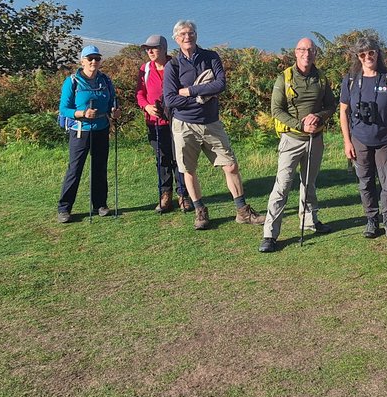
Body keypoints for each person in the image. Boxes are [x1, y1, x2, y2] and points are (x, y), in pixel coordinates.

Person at [162, 20, 265, 230]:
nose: (187, 37)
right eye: (183, 34)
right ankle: (200, 211)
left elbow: (220, 84)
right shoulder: (173, 66)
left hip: (211, 123)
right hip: (184, 125)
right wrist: (202, 97)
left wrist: (191, 91)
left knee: (231, 165)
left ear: (196, 35)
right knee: (189, 170)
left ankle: (242, 211)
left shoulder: (211, 57)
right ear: (176, 39)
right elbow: (170, 99)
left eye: (191, 32)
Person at [258, 38, 338, 252]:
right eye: (302, 49)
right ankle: (270, 234)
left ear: (315, 53)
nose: (306, 53)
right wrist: (301, 125)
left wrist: (318, 117)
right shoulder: (284, 78)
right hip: (291, 140)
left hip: (315, 140)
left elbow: (331, 106)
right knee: (282, 185)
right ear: (295, 52)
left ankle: (310, 221)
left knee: (309, 183)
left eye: (310, 50)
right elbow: (276, 110)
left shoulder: (321, 78)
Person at [339, 35, 387, 238]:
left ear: (377, 54)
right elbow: (343, 112)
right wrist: (347, 141)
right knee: (365, 182)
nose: (367, 57)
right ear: (357, 57)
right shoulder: (350, 80)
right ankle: (371, 220)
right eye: (362, 54)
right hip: (359, 139)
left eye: (371, 53)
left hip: (385, 139)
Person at [56, 45, 119, 223]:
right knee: (75, 169)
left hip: (101, 128)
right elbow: (64, 109)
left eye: (97, 58)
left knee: (99, 168)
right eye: (90, 58)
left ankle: (100, 205)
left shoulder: (105, 80)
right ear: (82, 61)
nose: (93, 62)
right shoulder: (72, 81)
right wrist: (83, 113)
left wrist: (114, 110)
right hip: (80, 131)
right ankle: (64, 208)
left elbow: (113, 101)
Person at [134, 34, 189, 214]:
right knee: (162, 158)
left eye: (154, 48)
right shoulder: (145, 69)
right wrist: (147, 106)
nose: (149, 51)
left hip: (177, 119)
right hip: (154, 121)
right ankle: (165, 195)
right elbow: (140, 93)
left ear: (164, 49)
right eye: (147, 49)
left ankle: (183, 195)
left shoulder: (176, 65)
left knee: (179, 157)